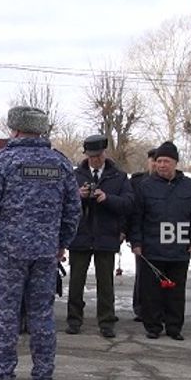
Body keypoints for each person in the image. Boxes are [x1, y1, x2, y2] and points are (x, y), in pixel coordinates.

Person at [0, 106, 81, 380]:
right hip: (45, 252)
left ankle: (4, 374)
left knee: (7, 312)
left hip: (10, 251)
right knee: (42, 313)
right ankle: (43, 374)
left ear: (15, 129)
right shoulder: (60, 163)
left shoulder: (4, 161)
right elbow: (73, 210)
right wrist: (62, 243)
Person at [129, 142, 191, 340]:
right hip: (151, 248)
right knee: (151, 292)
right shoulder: (144, 186)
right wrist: (136, 242)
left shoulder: (190, 186)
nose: (162, 165)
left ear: (175, 163)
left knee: (175, 291)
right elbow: (136, 216)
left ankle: (174, 327)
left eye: (166, 161)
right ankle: (153, 327)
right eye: (159, 161)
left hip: (179, 249)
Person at [65, 134, 134, 338]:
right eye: (91, 156)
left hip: (106, 235)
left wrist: (107, 198)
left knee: (106, 283)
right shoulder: (75, 175)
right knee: (76, 281)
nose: (94, 159)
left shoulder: (118, 177)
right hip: (80, 235)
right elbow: (63, 202)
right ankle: (74, 319)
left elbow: (129, 204)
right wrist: (78, 196)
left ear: (104, 153)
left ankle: (106, 321)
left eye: (98, 155)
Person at [125, 148, 156, 322]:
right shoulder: (137, 181)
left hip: (161, 235)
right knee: (142, 274)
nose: (154, 163)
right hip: (142, 234)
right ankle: (140, 308)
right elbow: (131, 210)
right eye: (152, 159)